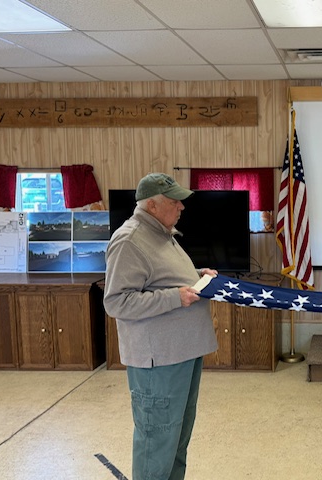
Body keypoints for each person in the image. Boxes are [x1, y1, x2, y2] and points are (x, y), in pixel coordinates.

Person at [103, 173, 218, 480]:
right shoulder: (130, 240)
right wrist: (174, 298)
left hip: (182, 353)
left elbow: (160, 277)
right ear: (152, 205)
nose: (181, 206)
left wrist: (197, 276)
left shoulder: (162, 232)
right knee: (157, 441)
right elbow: (116, 302)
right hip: (159, 361)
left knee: (177, 439)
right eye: (174, 201)